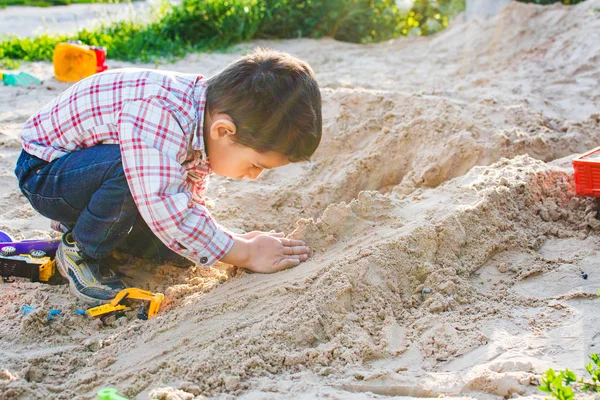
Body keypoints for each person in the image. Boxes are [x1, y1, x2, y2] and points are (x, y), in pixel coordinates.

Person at [14, 48, 322, 305]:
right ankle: (81, 247)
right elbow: (165, 207)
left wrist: (233, 242)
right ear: (224, 131)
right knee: (130, 172)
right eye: (256, 165)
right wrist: (245, 253)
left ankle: (88, 221)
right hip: (44, 174)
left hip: (87, 172)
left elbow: (189, 199)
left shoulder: (203, 117)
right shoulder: (161, 114)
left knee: (177, 250)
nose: (253, 176)